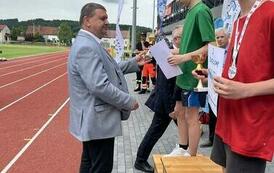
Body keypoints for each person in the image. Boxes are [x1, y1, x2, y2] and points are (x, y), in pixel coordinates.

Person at [68, 3, 148, 173]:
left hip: (94, 121)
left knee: (90, 164)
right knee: (101, 167)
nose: (107, 22)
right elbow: (99, 85)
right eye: (102, 18)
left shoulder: (89, 42)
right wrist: (128, 101)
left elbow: (109, 69)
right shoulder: (87, 46)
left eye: (107, 18)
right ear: (87, 21)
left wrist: (133, 63)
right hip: (97, 120)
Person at [210, 0, 274, 173]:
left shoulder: (270, 12)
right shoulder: (238, 19)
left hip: (249, 129)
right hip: (226, 122)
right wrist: (210, 75)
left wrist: (244, 90)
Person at [167, 0, 215, 156]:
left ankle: (191, 154)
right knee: (179, 112)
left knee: (192, 116)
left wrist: (183, 57)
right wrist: (177, 53)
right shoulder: (190, 12)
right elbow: (191, 45)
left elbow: (211, 45)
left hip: (194, 75)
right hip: (183, 74)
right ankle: (182, 147)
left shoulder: (201, 11)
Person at [134, 26, 183, 173]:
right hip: (167, 103)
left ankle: (183, 152)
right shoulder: (166, 53)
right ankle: (140, 160)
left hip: (172, 101)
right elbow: (164, 84)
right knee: (156, 132)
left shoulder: (172, 52)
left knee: (185, 130)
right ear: (176, 39)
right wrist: (170, 108)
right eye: (185, 37)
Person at [200, 27, 230, 148]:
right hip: (214, 88)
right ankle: (212, 139)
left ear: (228, 37)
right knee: (213, 114)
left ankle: (225, 141)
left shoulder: (232, 51)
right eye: (217, 37)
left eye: (222, 37)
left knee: (225, 115)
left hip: (227, 88)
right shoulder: (214, 52)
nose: (219, 39)